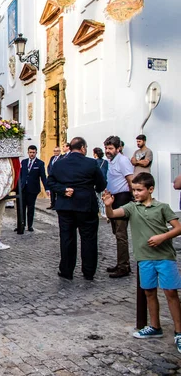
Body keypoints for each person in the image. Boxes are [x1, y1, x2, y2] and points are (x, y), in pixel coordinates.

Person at [103, 173, 181, 352]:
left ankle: (179, 331)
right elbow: (114, 214)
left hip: (164, 257)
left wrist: (163, 237)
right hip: (144, 258)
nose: (136, 193)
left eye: (139, 190)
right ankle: (155, 326)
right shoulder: (132, 207)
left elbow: (178, 228)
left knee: (171, 293)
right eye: (134, 190)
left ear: (150, 189)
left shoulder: (162, 207)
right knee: (149, 293)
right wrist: (108, 206)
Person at [47, 137, 106, 281]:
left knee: (67, 238)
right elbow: (101, 184)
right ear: (83, 148)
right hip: (86, 205)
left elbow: (50, 182)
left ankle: (66, 270)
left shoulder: (59, 164)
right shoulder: (91, 163)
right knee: (89, 239)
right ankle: (89, 271)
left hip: (66, 206)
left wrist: (63, 189)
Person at [104, 135, 134, 278]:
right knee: (117, 233)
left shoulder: (122, 160)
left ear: (118, 148)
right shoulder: (111, 161)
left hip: (123, 198)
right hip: (114, 199)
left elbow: (130, 180)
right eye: (106, 148)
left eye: (110, 148)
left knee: (121, 234)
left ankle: (124, 266)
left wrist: (134, 198)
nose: (107, 151)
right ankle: (121, 262)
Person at [19, 145, 48, 232]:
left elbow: (43, 177)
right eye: (30, 152)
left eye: (33, 152)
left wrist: (47, 188)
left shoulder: (40, 163)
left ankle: (30, 225)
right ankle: (21, 224)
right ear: (28, 153)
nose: (32, 154)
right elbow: (20, 175)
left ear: (36, 153)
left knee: (31, 208)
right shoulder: (24, 162)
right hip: (23, 188)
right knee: (22, 207)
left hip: (33, 189)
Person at [93, 147, 109, 218]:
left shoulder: (93, 162)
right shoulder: (105, 162)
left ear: (95, 154)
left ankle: (98, 212)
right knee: (102, 198)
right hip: (104, 182)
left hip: (95, 182)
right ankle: (104, 212)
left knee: (97, 198)